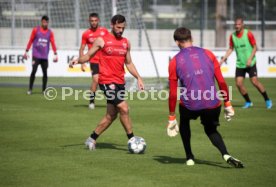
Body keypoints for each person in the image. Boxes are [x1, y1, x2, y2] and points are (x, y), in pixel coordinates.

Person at [167, 27, 244, 168]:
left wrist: (171, 116)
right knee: (210, 130)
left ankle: (189, 157)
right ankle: (225, 154)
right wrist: (227, 103)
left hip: (191, 105)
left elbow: (173, 93)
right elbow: (221, 82)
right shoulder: (208, 53)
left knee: (184, 121)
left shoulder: (174, 61)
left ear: (177, 42)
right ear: (192, 39)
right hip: (213, 104)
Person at [69, 14, 144, 151]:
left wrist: (138, 77)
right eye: (118, 27)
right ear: (112, 24)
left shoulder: (126, 42)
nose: (121, 30)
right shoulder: (101, 40)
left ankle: (91, 139)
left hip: (120, 82)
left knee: (111, 115)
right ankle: (133, 140)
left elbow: (129, 63)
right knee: (124, 108)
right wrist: (77, 60)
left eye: (123, 27)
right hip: (106, 81)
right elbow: (88, 55)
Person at [220, 17, 272, 109]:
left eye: (239, 24)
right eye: (236, 24)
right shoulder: (232, 36)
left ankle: (267, 100)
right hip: (240, 64)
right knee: (238, 83)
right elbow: (231, 48)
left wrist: (250, 59)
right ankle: (248, 102)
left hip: (250, 63)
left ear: (242, 24)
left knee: (254, 81)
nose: (237, 26)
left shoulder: (248, 34)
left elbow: (255, 47)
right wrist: (223, 59)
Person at [79, 13, 109, 109]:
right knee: (96, 80)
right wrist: (82, 63)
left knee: (108, 82)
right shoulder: (86, 34)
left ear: (98, 21)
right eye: (92, 21)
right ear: (89, 21)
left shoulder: (104, 31)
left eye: (95, 20)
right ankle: (91, 102)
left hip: (105, 61)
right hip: (94, 61)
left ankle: (114, 101)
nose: (94, 22)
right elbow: (81, 49)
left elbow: (109, 42)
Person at [23, 15, 58, 95]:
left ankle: (44, 90)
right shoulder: (36, 30)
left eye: (46, 22)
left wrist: (55, 54)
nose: (45, 23)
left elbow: (53, 43)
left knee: (45, 73)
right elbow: (31, 40)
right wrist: (27, 51)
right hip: (36, 55)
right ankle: (30, 89)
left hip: (44, 56)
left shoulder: (50, 32)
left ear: (48, 23)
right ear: (41, 22)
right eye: (44, 22)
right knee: (34, 71)